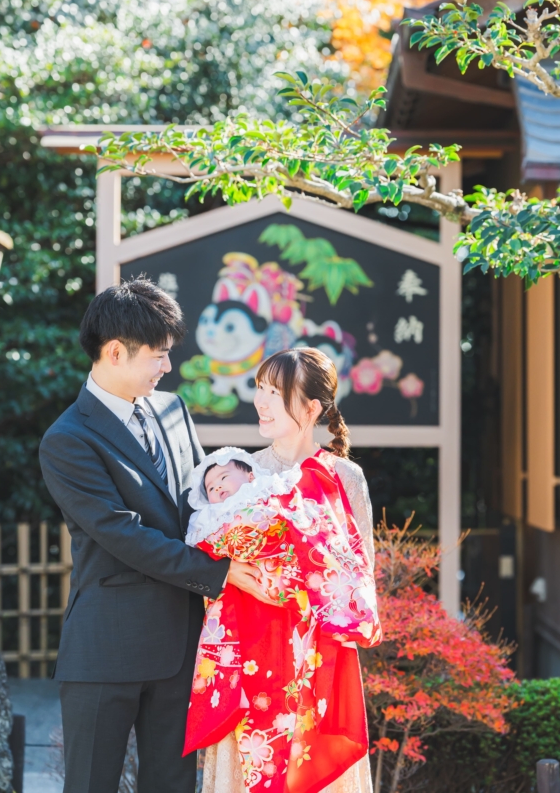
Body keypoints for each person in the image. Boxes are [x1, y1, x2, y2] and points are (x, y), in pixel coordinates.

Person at [39, 278, 267, 793]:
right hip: (106, 649)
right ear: (115, 352)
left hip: (182, 646)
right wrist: (222, 574)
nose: (168, 366)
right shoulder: (67, 439)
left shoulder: (172, 409)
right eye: (159, 355)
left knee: (172, 786)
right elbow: (124, 534)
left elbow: (199, 506)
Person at [201, 346, 377, 793]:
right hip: (251, 646)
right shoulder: (242, 472)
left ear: (312, 407)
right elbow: (212, 565)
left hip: (319, 656)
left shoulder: (345, 477)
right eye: (260, 388)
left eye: (275, 392)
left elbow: (362, 576)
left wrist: (306, 579)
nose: (261, 401)